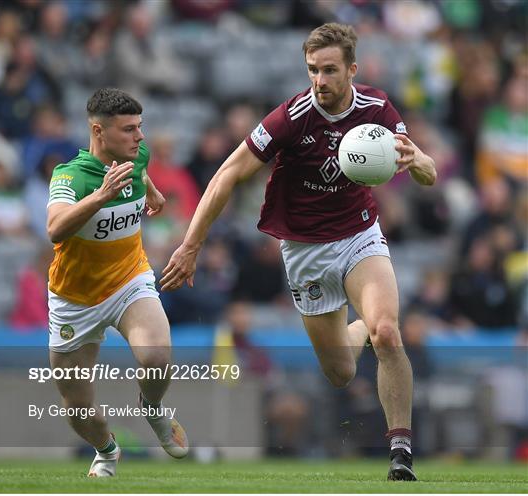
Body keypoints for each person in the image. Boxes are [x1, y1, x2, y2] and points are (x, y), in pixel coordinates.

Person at [161, 23, 437, 481]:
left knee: (388, 332)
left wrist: (422, 163)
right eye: (312, 70)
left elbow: (423, 170)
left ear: (352, 69)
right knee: (340, 373)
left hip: (359, 236)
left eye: (329, 70)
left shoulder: (378, 109)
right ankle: (359, 326)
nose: (319, 81)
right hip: (305, 250)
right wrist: (191, 244)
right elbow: (227, 174)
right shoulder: (291, 117)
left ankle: (400, 454)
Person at [46, 88, 188, 477]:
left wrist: (152, 189)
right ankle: (107, 450)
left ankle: (152, 408)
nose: (140, 138)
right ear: (98, 131)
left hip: (129, 279)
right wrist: (101, 196)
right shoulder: (71, 175)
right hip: (74, 299)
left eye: (140, 127)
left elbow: (140, 172)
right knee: (77, 409)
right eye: (128, 130)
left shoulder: (136, 154)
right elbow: (55, 228)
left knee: (157, 356)